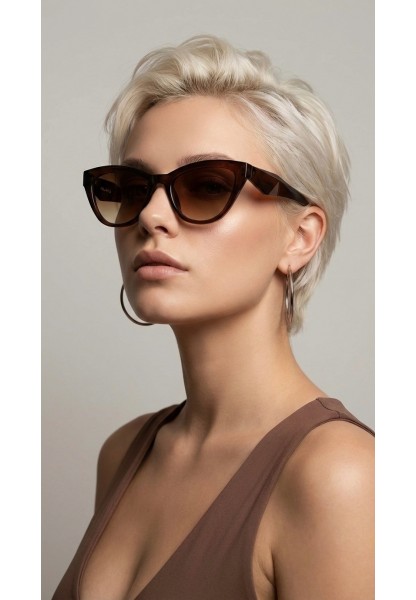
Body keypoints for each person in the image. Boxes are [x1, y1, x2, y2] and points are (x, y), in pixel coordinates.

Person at [52, 35, 374, 600]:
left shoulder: (339, 476)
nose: (150, 217)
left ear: (300, 237)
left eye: (206, 186)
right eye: (131, 189)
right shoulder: (124, 453)